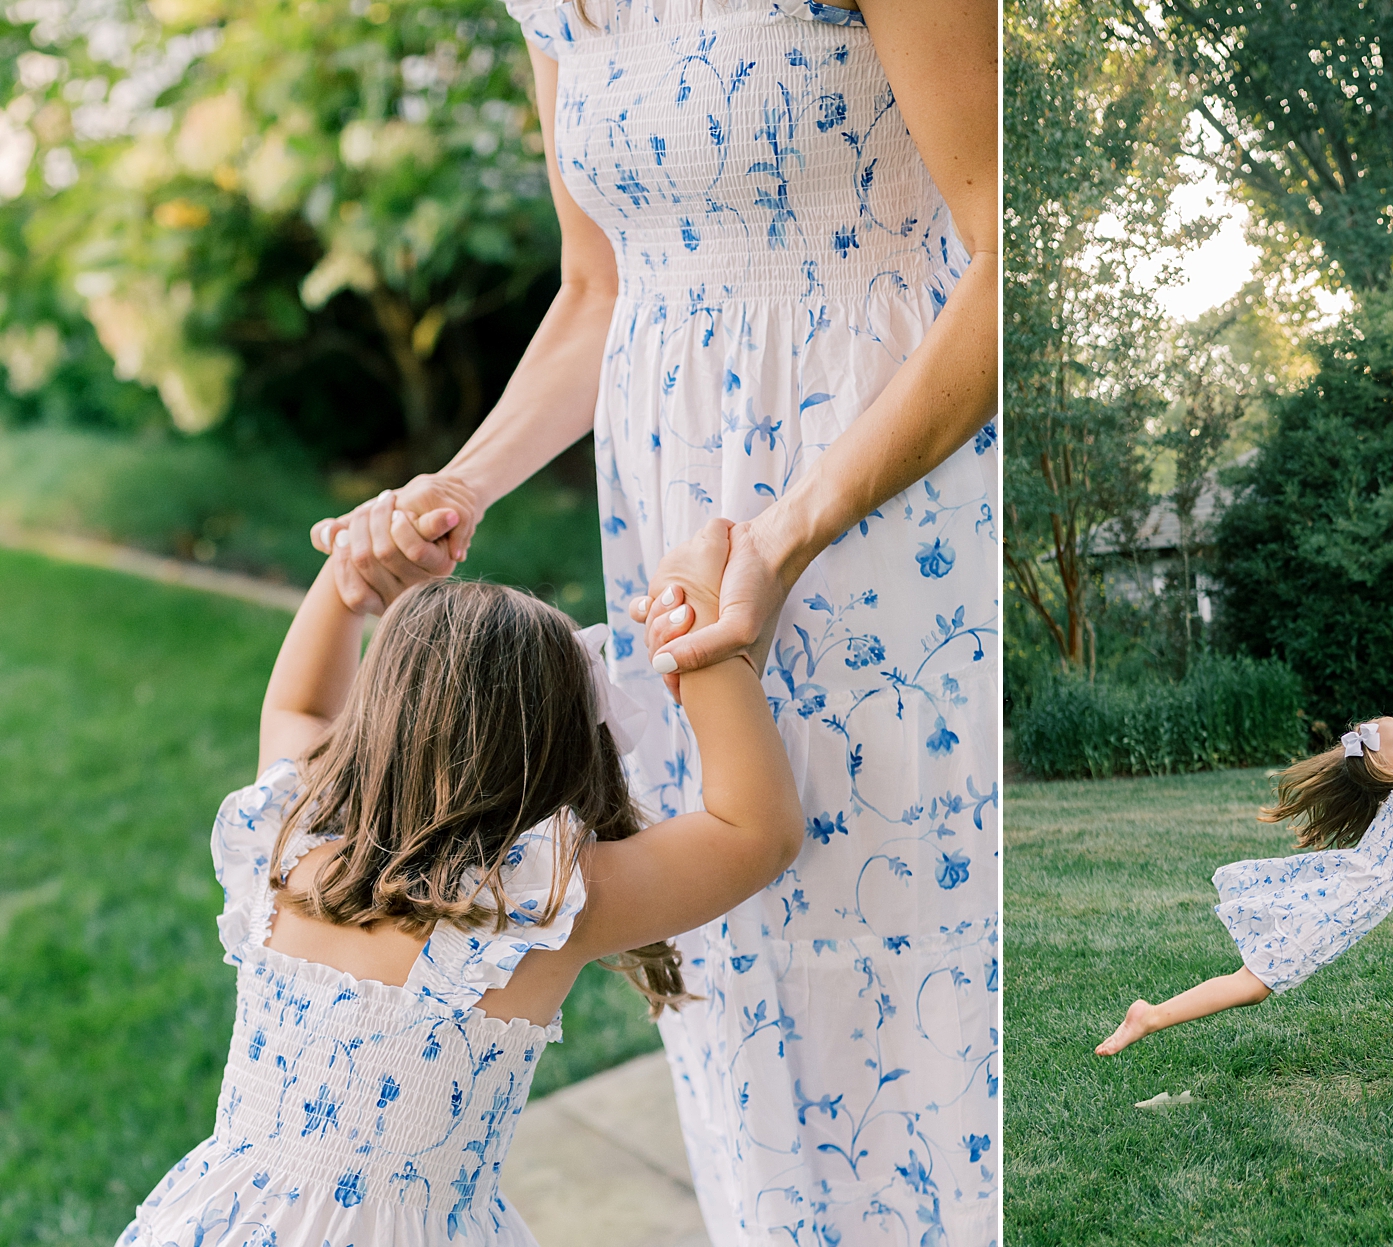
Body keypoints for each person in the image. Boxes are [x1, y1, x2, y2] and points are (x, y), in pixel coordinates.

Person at [306, 2, 999, 1239]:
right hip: (673, 502)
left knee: (910, 921)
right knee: (736, 934)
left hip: (881, 494)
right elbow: (597, 287)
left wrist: (791, 530)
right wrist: (461, 483)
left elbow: (1010, 250)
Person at [118, 509, 802, 1245]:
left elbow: (299, 706)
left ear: (379, 708)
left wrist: (351, 572)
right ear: (564, 740)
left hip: (227, 1218)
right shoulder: (532, 906)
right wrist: (698, 640)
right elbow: (754, 832)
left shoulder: (291, 837)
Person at [1096, 697, 1393, 1056]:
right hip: (1342, 903)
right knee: (1254, 984)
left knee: (1256, 983)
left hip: (1349, 898)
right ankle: (1149, 1016)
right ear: (1384, 767)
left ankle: (1151, 1016)